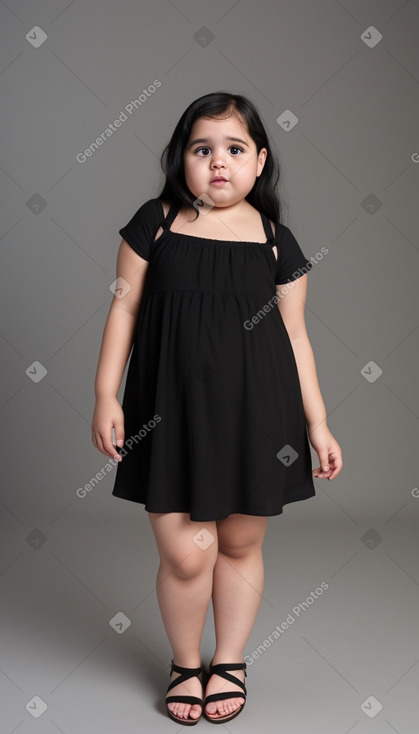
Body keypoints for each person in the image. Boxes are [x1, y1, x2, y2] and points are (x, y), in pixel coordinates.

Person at [91, 91, 342, 725]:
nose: (219, 163)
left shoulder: (275, 241)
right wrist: (104, 395)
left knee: (236, 543)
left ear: (260, 161)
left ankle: (228, 659)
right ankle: (184, 661)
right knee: (184, 553)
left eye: (234, 150)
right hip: (167, 414)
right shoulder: (157, 223)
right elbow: (122, 307)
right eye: (203, 150)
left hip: (259, 417)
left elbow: (296, 337)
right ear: (182, 160)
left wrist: (316, 422)